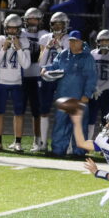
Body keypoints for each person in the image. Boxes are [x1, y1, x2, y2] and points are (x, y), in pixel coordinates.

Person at [42, 29, 97, 156]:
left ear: (81, 42)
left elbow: (92, 77)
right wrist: (45, 69)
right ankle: (58, 150)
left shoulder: (87, 57)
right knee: (60, 123)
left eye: (75, 41)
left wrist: (87, 94)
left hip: (79, 97)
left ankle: (79, 151)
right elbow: (54, 66)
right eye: (71, 41)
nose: (72, 43)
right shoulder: (63, 54)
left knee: (79, 125)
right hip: (63, 95)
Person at [0, 13, 31, 151]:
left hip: (17, 83)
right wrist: (3, 49)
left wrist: (18, 48)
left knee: (18, 113)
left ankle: (17, 142)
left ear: (19, 29)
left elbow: (26, 65)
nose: (12, 31)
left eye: (15, 28)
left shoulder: (24, 41)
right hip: (1, 82)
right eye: (10, 28)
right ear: (5, 28)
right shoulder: (0, 39)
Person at [36, 12, 70, 150]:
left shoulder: (69, 39)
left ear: (65, 25)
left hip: (62, 78)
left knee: (63, 112)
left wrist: (59, 48)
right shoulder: (45, 38)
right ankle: (43, 143)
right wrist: (48, 47)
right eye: (55, 24)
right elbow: (41, 63)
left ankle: (63, 145)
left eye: (60, 24)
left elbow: (67, 62)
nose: (57, 27)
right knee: (44, 110)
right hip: (47, 77)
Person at [22, 7, 48, 151]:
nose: (32, 22)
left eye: (35, 19)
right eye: (30, 19)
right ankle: (17, 140)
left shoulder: (44, 35)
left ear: (40, 21)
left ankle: (37, 139)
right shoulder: (21, 33)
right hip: (22, 74)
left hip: (37, 74)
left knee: (36, 109)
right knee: (19, 109)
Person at [88, 30, 109, 139]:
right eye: (102, 41)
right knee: (90, 118)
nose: (104, 43)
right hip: (94, 90)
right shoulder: (92, 54)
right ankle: (87, 143)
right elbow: (89, 73)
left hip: (107, 91)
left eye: (107, 41)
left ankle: (106, 144)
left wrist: (100, 89)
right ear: (98, 42)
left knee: (107, 119)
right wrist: (92, 87)